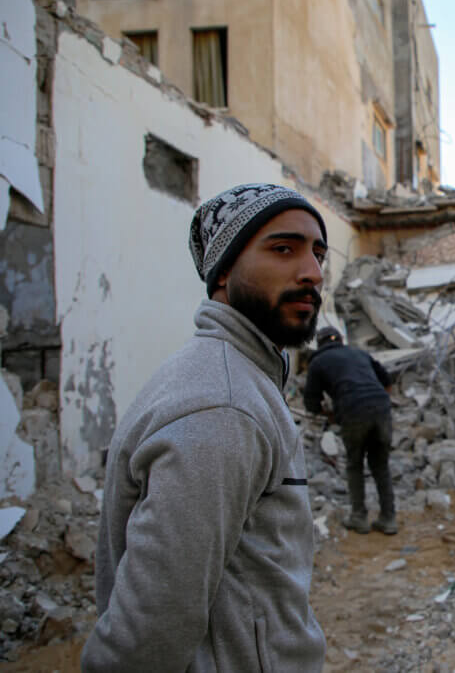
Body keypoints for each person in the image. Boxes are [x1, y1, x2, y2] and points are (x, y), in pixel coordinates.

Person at [82, 183, 328, 672]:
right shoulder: (225, 404)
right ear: (224, 272)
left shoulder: (235, 377)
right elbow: (148, 631)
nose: (313, 273)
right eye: (283, 249)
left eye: (319, 254)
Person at [304, 325, 397, 534]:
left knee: (355, 464)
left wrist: (332, 414)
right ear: (340, 340)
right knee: (381, 466)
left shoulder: (318, 362)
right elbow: (387, 381)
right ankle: (389, 519)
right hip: (381, 408)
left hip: (352, 411)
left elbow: (311, 404)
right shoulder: (358, 353)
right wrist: (379, 403)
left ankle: (359, 517)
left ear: (320, 343)